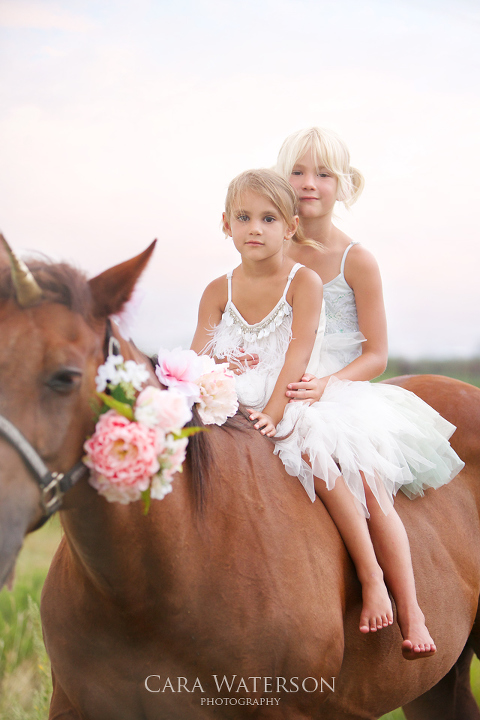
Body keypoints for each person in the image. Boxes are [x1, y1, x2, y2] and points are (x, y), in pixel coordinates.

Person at [191, 167, 463, 660]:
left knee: (332, 465)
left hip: (294, 395)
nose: (255, 228)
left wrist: (275, 412)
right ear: (225, 224)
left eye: (268, 218)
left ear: (288, 227)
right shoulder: (217, 289)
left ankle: (386, 588)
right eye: (244, 218)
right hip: (236, 399)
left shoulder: (305, 280)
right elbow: (199, 360)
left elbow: (299, 352)